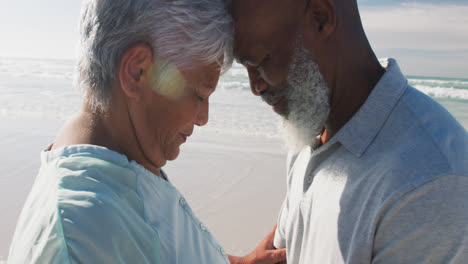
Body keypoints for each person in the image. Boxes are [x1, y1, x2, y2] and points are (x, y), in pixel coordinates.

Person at [8, 0, 286, 263]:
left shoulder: (121, 160)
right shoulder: (81, 237)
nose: (203, 118)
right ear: (137, 72)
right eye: (200, 95)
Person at [232, 0, 468, 263]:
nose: (256, 86)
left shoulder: (431, 183)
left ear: (321, 18)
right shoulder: (311, 131)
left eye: (261, 61)